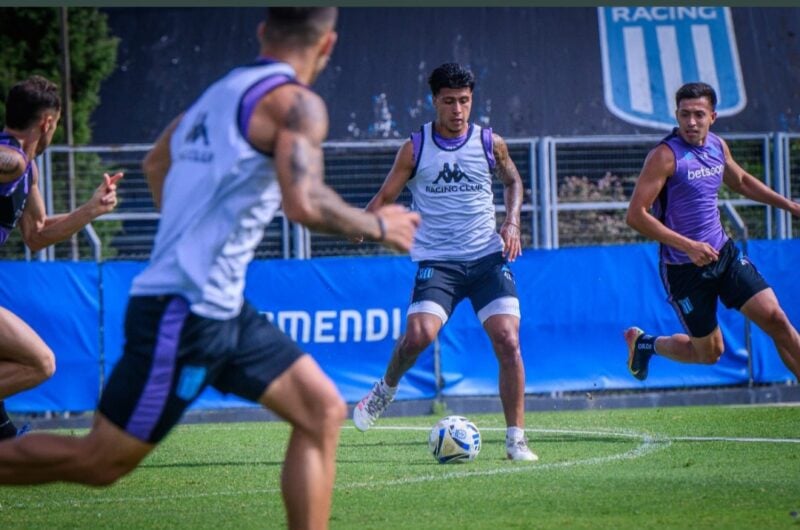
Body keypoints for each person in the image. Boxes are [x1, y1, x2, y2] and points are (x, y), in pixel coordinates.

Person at [0, 8, 420, 530]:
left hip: (220, 308)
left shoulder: (217, 94)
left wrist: (189, 238)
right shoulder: (298, 104)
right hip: (184, 312)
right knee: (100, 461)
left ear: (263, 33)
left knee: (320, 411)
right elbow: (304, 201)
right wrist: (378, 225)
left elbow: (156, 162)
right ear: (328, 44)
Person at [352, 62, 537, 462]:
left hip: (487, 259)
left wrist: (512, 220)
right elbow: (386, 195)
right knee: (417, 337)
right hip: (439, 263)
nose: (458, 110)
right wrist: (363, 223)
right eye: (450, 101)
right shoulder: (415, 148)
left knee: (508, 339)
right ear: (434, 100)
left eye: (465, 101)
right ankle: (385, 389)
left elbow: (513, 181)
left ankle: (516, 440)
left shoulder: (490, 143)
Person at [624, 81, 800, 383]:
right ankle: (645, 344)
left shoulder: (717, 146)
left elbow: (741, 181)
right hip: (684, 268)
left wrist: (790, 205)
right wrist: (689, 246)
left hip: (724, 255)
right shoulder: (665, 156)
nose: (691, 122)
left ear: (713, 117)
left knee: (776, 319)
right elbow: (635, 216)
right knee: (709, 353)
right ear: (677, 116)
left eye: (699, 114)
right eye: (685, 114)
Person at [0, 75, 123, 440]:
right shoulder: (13, 160)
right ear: (47, 122)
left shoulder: (27, 168)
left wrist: (91, 209)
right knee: (40, 363)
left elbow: (37, 234)